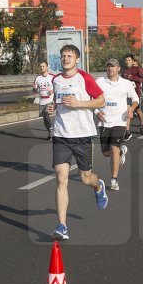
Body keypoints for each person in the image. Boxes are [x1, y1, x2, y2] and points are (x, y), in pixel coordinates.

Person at [47, 44, 108, 241]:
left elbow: (101, 101)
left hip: (82, 135)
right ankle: (62, 226)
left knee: (85, 178)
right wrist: (51, 108)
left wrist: (79, 103)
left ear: (77, 59)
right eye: (63, 55)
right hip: (61, 136)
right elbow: (57, 102)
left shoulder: (84, 78)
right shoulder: (55, 80)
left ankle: (99, 187)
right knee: (61, 178)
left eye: (69, 56)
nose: (65, 59)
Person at [95, 59, 139, 191]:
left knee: (114, 149)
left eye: (113, 66)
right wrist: (97, 111)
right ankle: (121, 153)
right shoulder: (100, 82)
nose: (110, 69)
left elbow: (135, 99)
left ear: (118, 68)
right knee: (105, 152)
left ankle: (114, 179)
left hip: (119, 121)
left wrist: (131, 109)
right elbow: (93, 99)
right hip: (104, 121)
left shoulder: (125, 84)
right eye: (108, 66)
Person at [122, 54, 143, 136]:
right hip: (126, 94)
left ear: (133, 61)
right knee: (127, 110)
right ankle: (127, 131)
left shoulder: (137, 69)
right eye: (126, 60)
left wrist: (133, 78)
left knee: (138, 111)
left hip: (136, 94)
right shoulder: (123, 70)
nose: (127, 62)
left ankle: (142, 124)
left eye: (129, 60)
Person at [33, 61, 55, 140]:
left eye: (43, 66)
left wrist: (52, 91)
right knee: (45, 119)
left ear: (47, 67)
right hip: (42, 100)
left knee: (46, 114)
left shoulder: (52, 77)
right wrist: (35, 88)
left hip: (50, 100)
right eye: (41, 66)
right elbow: (35, 90)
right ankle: (50, 131)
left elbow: (57, 87)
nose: (42, 68)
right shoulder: (38, 78)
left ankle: (51, 129)